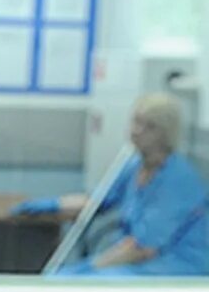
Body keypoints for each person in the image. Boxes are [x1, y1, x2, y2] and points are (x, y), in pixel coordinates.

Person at [14, 93, 208, 276]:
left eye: (150, 126)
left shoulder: (178, 180)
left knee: (80, 285)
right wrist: (52, 205)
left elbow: (142, 248)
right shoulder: (133, 166)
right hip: (137, 263)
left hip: (173, 269)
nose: (137, 131)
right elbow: (95, 202)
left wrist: (87, 269)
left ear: (166, 134)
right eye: (136, 121)